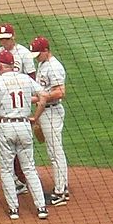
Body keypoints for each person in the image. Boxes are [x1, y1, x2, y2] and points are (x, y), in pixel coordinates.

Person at [0, 49, 50, 220]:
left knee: (6, 170)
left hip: (5, 126)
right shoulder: (25, 78)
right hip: (24, 125)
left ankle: (14, 209)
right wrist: (35, 117)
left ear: (0, 65)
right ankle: (41, 207)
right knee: (29, 168)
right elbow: (43, 95)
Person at [0, 23, 37, 194]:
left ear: (13, 37)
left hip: (19, 106)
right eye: (1, 39)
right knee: (9, 147)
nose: (4, 42)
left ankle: (22, 179)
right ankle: (17, 181)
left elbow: (32, 80)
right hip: (3, 105)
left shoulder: (24, 54)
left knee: (19, 147)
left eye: (6, 39)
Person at [29, 36, 70, 206]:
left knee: (55, 152)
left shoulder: (54, 67)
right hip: (45, 111)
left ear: (46, 50)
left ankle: (60, 192)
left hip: (52, 112)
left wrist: (42, 98)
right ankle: (62, 188)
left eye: (39, 53)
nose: (37, 56)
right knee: (53, 151)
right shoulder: (43, 64)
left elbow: (60, 92)